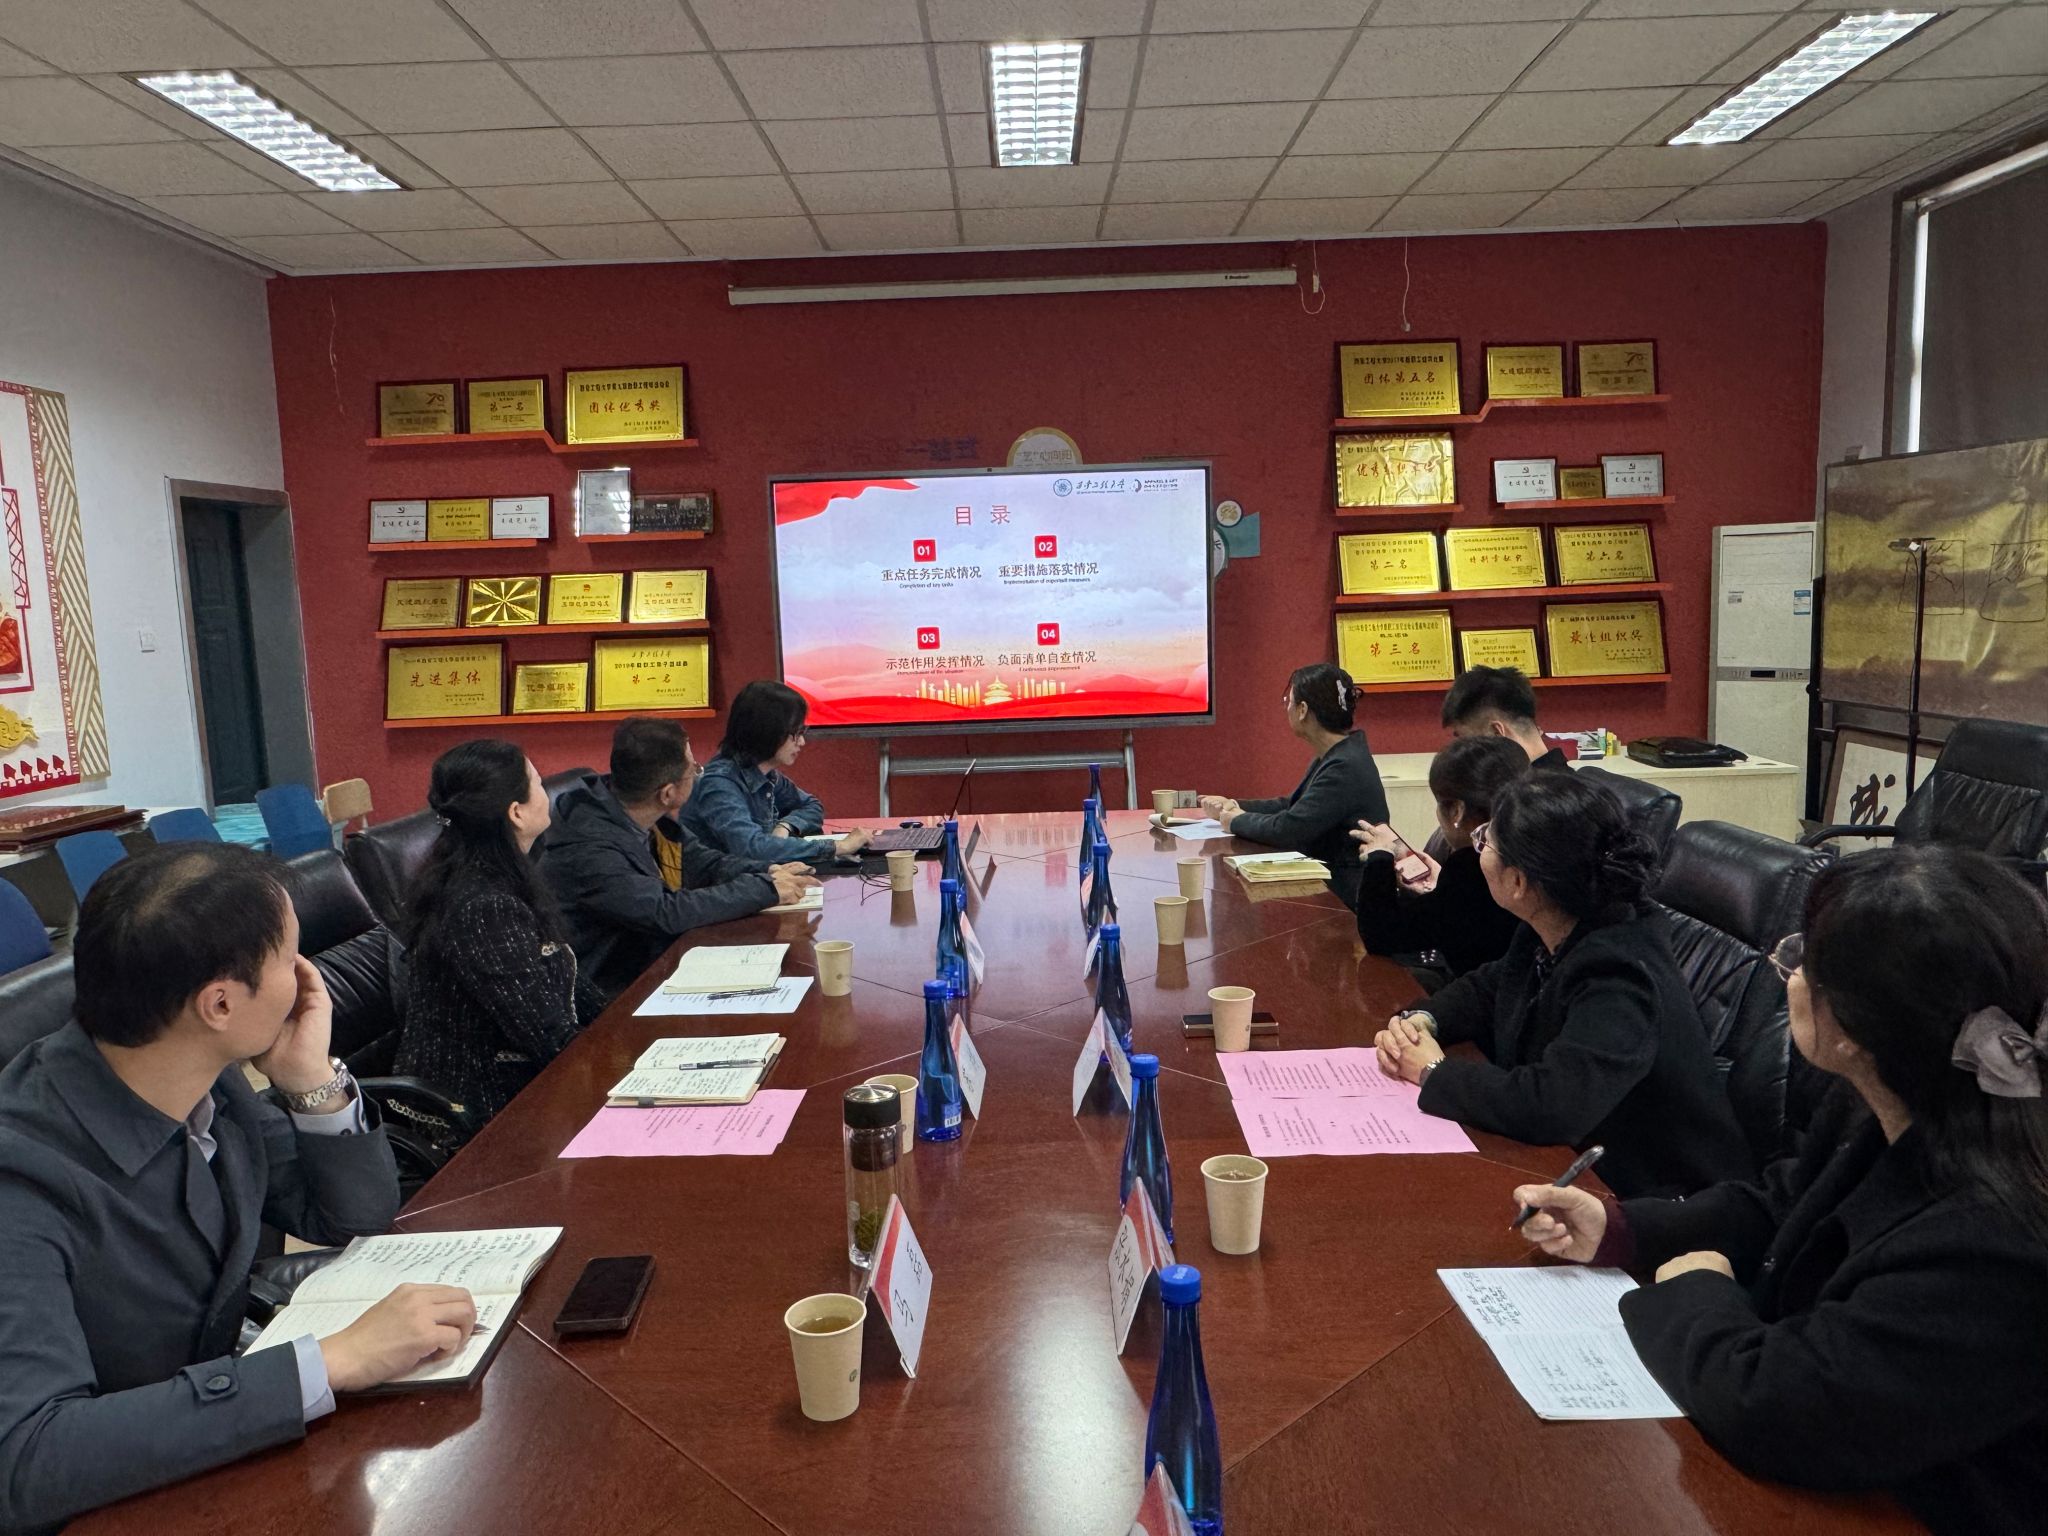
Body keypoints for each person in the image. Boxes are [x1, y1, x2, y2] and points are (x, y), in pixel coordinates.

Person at [1513, 847, 2048, 1536]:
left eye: (1805, 961)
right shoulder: (1904, 1098)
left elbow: (1779, 1409)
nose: (1791, 975)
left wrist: (1697, 1289)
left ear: (1854, 1031)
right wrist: (1622, 1229)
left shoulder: (1995, 1240)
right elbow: (1781, 1203)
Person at [0, 843, 473, 1531]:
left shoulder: (204, 1079)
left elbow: (353, 1217)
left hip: (201, 1460)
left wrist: (310, 1080)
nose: (308, 977)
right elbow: (28, 1458)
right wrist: (329, 1362)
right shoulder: (20, 1177)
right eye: (291, 958)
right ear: (220, 1002)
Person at [1374, 770, 1751, 1197]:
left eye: (1485, 842)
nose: (1478, 848)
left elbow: (1551, 1105)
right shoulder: (1558, 918)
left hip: (1664, 1198)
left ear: (1518, 882)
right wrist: (1423, 1020)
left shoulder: (1619, 972)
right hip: (1584, 1165)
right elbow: (1491, 986)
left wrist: (1432, 1072)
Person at [393, 740, 604, 1122]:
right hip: (479, 1111)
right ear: (516, 813)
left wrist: (629, 1032)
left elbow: (569, 990)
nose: (546, 793)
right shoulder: (483, 908)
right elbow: (547, 1037)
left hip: (522, 1081)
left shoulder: (499, 876)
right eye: (538, 783)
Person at [544, 717, 817, 999]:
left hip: (654, 961)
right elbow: (665, 912)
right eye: (693, 769)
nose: (698, 773)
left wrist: (770, 870)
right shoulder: (589, 845)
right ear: (668, 793)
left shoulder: (638, 812)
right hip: (610, 992)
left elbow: (704, 863)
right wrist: (764, 889)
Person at [1200, 662, 1389, 907]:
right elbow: (1293, 805)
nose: (1286, 708)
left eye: (1288, 701)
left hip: (1345, 894)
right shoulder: (1339, 753)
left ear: (1302, 710)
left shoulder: (1344, 766)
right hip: (1330, 881)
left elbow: (1290, 829)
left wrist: (1235, 821)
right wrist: (1235, 804)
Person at [1350, 733, 1528, 979]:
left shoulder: (1469, 868)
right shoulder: (1529, 849)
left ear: (1457, 810)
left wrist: (1379, 857)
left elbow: (1382, 935)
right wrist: (1440, 885)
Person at [679, 680, 870, 867]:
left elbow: (812, 806)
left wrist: (785, 826)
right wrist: (839, 846)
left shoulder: (765, 773)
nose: (802, 742)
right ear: (769, 731)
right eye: (796, 733)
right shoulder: (719, 783)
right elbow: (752, 849)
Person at [1440, 664, 1570, 770]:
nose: (1463, 754)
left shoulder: (1521, 794)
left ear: (1497, 732)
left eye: (1466, 742)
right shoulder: (1575, 785)